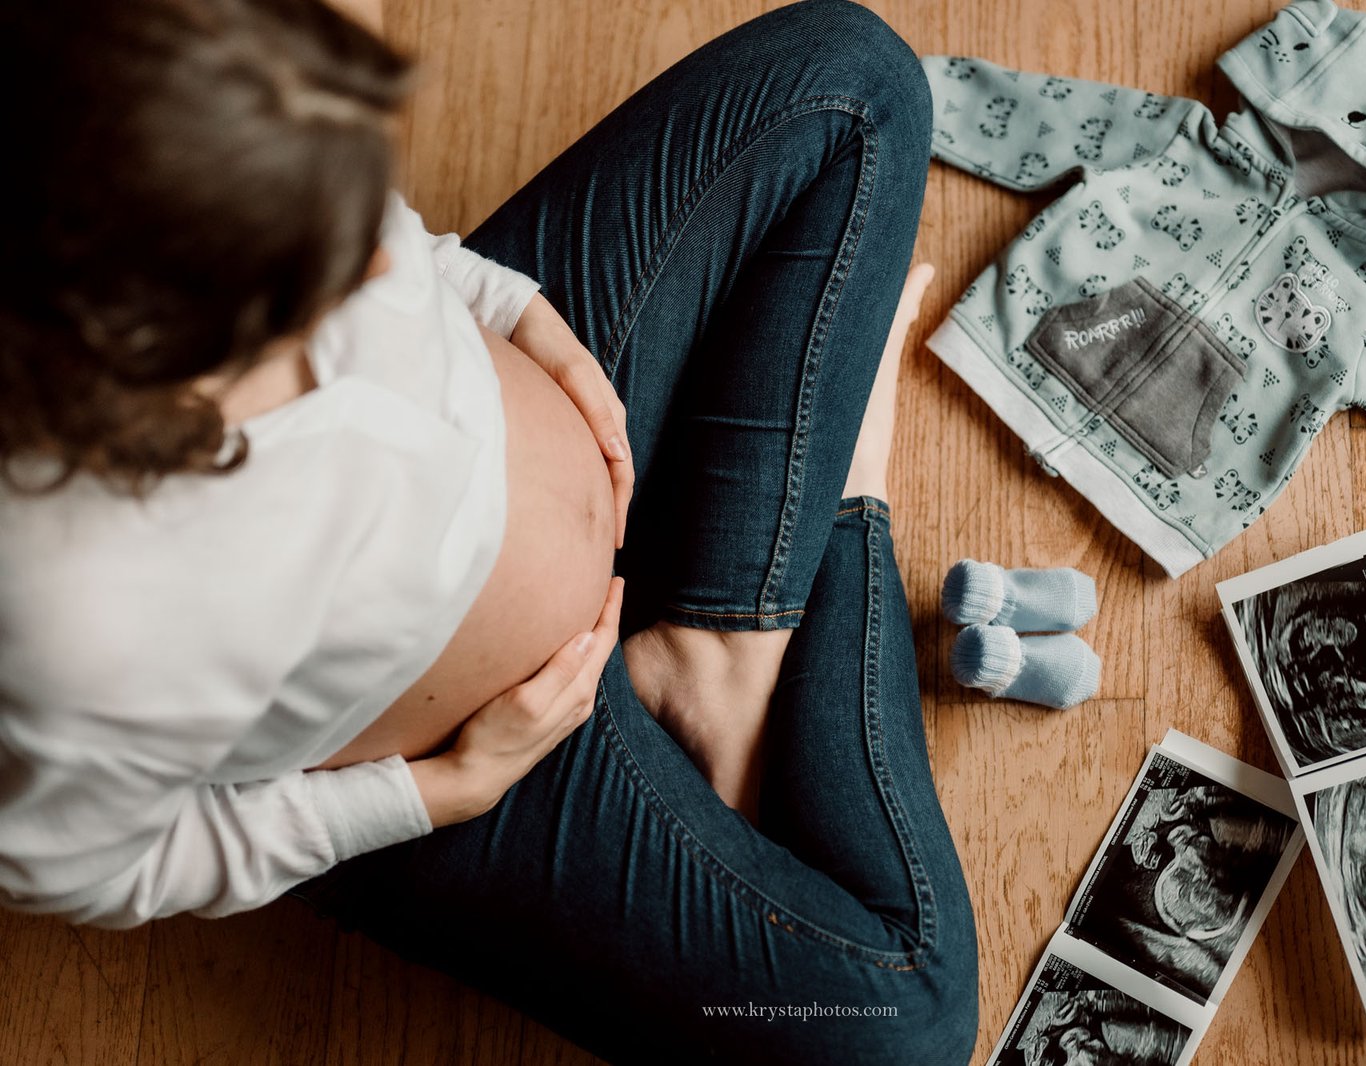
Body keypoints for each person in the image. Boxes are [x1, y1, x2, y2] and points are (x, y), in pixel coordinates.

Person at [0, 0, 979, 1061]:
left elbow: (402, 248)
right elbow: (92, 865)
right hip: (491, 753)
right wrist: (423, 794)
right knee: (902, 1027)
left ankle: (714, 646)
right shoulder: (69, 614)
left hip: (571, 388)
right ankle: (836, 505)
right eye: (319, 280)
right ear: (146, 360)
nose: (377, 275)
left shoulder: (176, 131)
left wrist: (512, 309)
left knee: (852, 77)